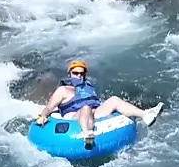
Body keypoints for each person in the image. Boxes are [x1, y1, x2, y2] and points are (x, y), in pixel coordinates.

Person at [34, 60, 162, 149]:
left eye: (81, 73)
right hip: (74, 117)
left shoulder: (87, 87)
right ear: (70, 74)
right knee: (85, 107)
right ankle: (87, 134)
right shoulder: (63, 90)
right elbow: (49, 107)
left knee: (114, 100)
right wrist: (43, 116)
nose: (79, 76)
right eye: (75, 73)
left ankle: (146, 115)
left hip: (94, 114)